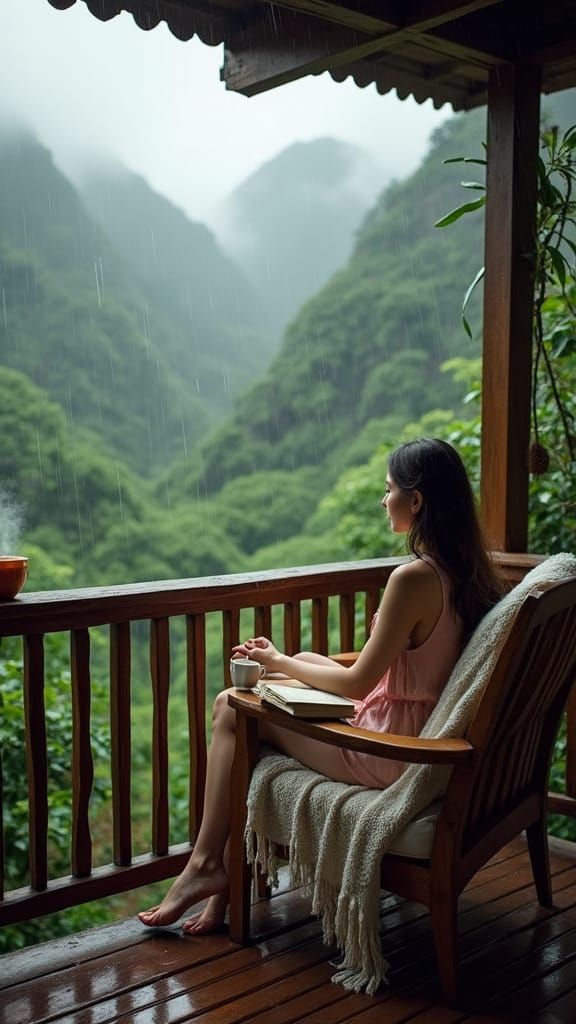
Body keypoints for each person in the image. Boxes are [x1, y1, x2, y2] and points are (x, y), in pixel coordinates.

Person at [138, 437, 502, 934]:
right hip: (415, 729)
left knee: (230, 705)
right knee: (288, 671)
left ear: (416, 501)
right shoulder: (466, 572)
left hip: (386, 749)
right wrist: (285, 664)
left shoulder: (413, 579)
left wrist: (277, 659)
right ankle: (216, 882)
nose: (383, 499)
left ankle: (206, 865)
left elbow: (359, 680)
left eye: (390, 489)